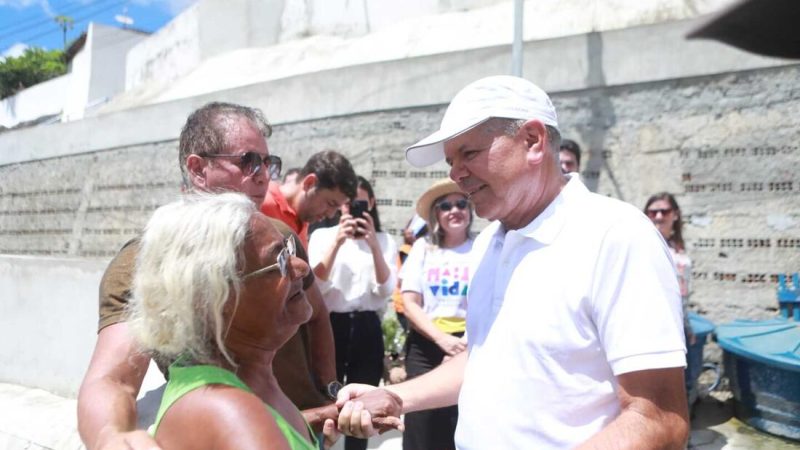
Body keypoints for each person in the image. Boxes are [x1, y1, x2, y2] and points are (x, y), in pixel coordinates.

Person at [336, 76, 689, 449]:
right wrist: (397, 397)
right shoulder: (489, 243)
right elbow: (482, 359)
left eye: (469, 153)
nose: (455, 173)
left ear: (533, 141)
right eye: (451, 160)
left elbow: (659, 418)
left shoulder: (616, 235)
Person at [77, 102, 400, 450]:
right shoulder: (151, 259)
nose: (264, 175)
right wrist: (113, 438)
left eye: (268, 162)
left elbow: (316, 315)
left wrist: (331, 393)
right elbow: (114, 380)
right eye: (248, 161)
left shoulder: (280, 235)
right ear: (197, 167)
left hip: (300, 422)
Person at [128, 193, 337, 450]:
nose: (301, 268)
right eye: (280, 261)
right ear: (216, 298)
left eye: (289, 250)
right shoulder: (227, 411)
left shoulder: (245, 383)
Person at [308, 176, 398, 450]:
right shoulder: (322, 235)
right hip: (331, 322)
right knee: (324, 395)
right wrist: (337, 242)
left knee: (362, 402)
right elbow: (316, 284)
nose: (352, 209)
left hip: (366, 324)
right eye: (347, 204)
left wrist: (373, 246)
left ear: (370, 203)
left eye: (359, 203)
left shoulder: (383, 240)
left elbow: (385, 290)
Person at [399, 178, 473, 450]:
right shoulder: (422, 249)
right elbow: (409, 303)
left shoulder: (483, 247)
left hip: (468, 344)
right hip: (426, 345)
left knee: (460, 420)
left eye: (461, 204)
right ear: (436, 215)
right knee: (421, 421)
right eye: (445, 206)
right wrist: (443, 340)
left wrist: (462, 342)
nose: (454, 210)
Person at [261, 150, 357, 248]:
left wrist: (336, 245)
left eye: (337, 208)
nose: (331, 215)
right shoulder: (261, 205)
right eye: (330, 203)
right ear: (309, 183)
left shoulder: (303, 216)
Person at [644, 192, 695, 343]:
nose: (659, 216)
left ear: (675, 215)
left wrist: (686, 325)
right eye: (653, 212)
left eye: (664, 212)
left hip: (676, 325)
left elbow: (683, 293)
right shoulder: (641, 246)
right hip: (651, 327)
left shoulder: (678, 247)